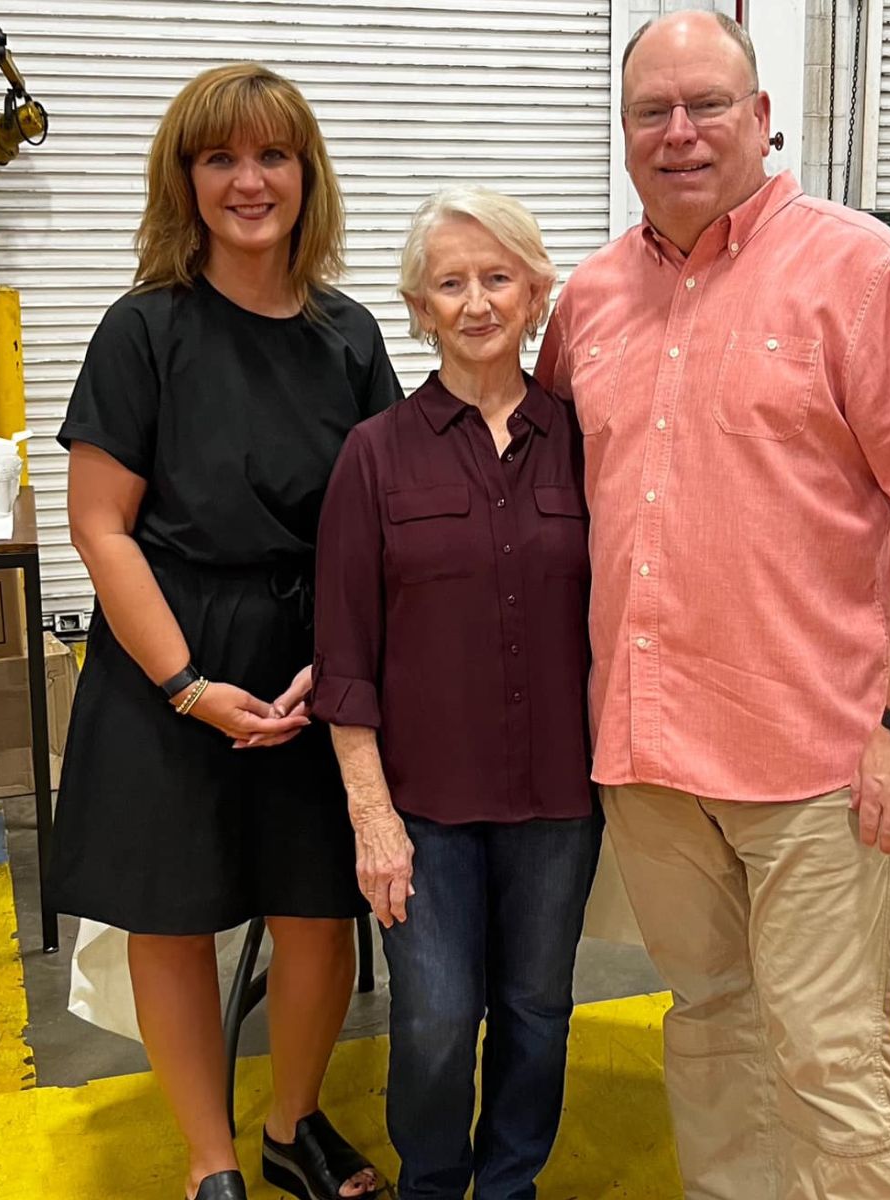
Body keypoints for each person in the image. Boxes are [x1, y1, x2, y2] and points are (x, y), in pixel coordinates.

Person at [534, 12, 890, 1200]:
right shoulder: (585, 300)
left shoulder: (862, 271)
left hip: (818, 761)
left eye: (707, 106)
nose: (679, 133)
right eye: (652, 111)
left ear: (762, 118)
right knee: (710, 1024)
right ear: (624, 131)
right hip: (647, 755)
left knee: (829, 1055)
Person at [48, 64, 400, 1200]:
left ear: (307, 174)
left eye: (272, 156)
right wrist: (189, 685)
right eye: (220, 159)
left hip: (308, 663)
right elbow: (103, 531)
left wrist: (339, 664)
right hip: (169, 658)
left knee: (316, 913)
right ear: (186, 179)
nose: (249, 181)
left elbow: (390, 513)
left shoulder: (350, 338)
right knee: (176, 917)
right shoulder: (142, 331)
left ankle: (294, 1125)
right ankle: (213, 1163)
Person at [310, 185, 602, 1200]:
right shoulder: (374, 456)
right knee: (434, 1021)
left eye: (498, 277)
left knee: (537, 1010)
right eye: (451, 283)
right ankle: (434, 1184)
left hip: (560, 800)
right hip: (423, 806)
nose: (477, 301)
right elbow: (343, 653)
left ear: (536, 294)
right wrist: (372, 815)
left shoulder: (586, 443)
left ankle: (510, 1184)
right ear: (419, 306)